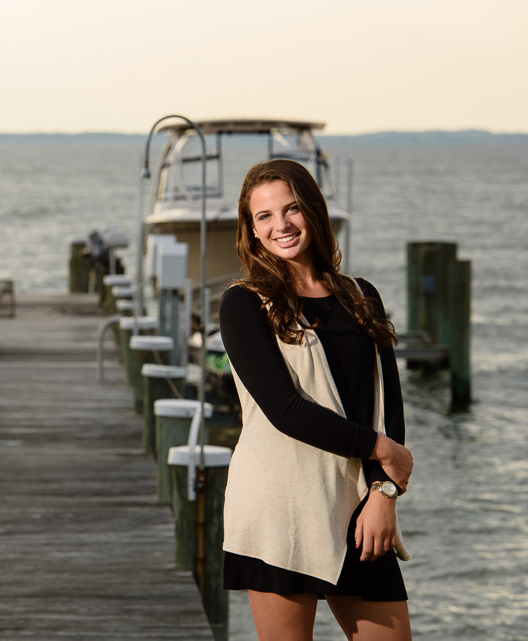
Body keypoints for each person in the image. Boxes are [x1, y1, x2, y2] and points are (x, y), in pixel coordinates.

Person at [218, 159, 414, 641]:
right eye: (264, 216)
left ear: (314, 211)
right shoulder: (244, 303)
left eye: (291, 209)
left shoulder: (360, 294)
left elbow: (388, 405)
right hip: (279, 508)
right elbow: (286, 410)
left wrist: (383, 492)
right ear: (252, 231)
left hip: (358, 508)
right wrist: (381, 450)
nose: (281, 225)